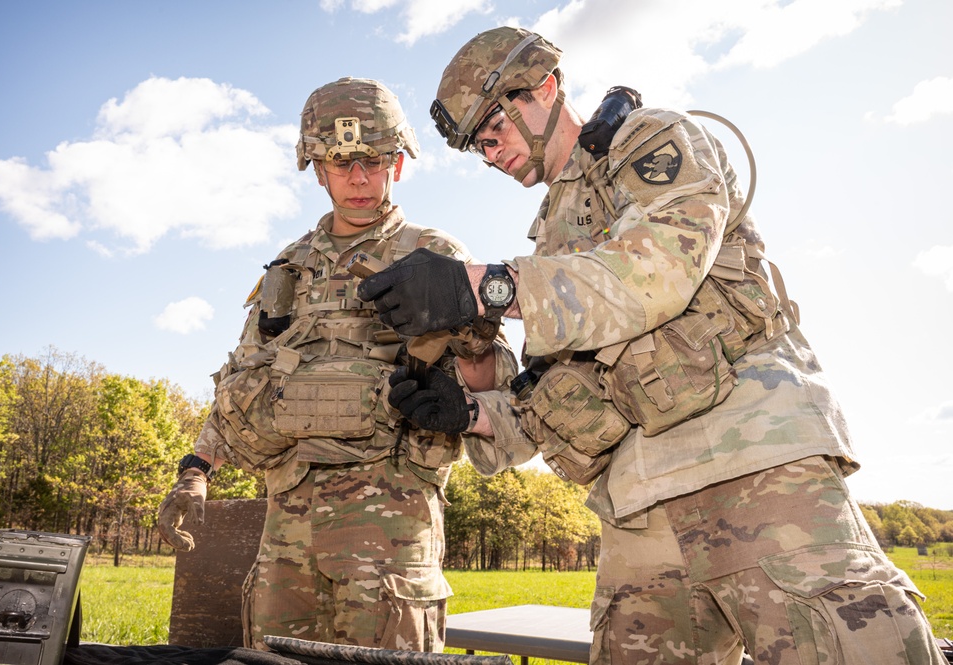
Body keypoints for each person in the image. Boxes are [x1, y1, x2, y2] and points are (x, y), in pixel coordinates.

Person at [357, 28, 948, 665]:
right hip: (638, 507)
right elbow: (563, 403)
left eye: (493, 125)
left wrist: (482, 287)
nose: (489, 150)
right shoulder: (553, 244)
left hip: (751, 463)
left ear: (546, 88)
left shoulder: (650, 141)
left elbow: (657, 269)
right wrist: (468, 411)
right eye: (477, 143)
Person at [157, 77, 517, 652]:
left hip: (393, 526)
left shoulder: (435, 257)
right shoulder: (289, 269)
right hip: (290, 531)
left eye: (373, 160)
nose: (358, 178)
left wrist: (469, 339)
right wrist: (195, 472)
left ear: (396, 164)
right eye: (341, 161)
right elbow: (242, 380)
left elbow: (494, 383)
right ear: (316, 168)